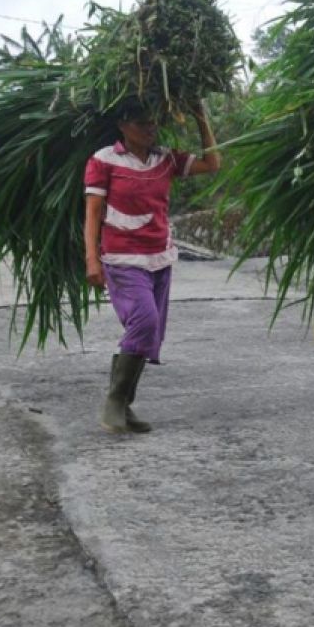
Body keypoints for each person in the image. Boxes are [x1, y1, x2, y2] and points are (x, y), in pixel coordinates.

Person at [83, 98, 220, 434]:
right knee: (145, 320)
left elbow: (212, 164)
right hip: (122, 257)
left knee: (150, 332)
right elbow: (93, 213)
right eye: (141, 123)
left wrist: (202, 118)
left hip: (159, 257)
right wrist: (91, 259)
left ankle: (125, 407)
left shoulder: (166, 159)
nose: (149, 128)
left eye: (152, 122)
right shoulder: (105, 160)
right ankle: (114, 401)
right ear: (122, 125)